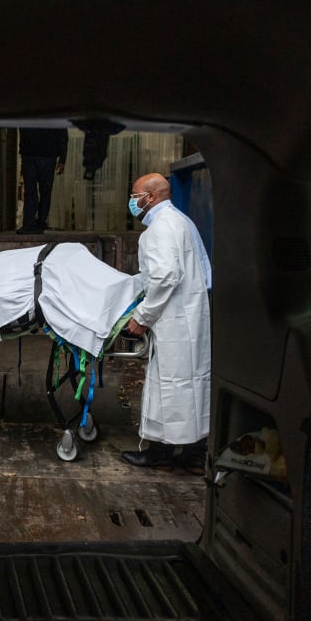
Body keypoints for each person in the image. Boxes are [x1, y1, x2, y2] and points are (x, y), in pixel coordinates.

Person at [120, 172, 212, 474]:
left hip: (172, 318)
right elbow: (202, 270)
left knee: (170, 385)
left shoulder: (159, 229)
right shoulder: (183, 222)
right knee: (188, 384)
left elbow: (164, 277)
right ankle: (191, 453)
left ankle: (164, 452)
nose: (132, 202)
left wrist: (142, 318)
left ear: (151, 196)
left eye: (135, 196)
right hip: (189, 314)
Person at [16, 127, 68, 234]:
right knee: (45, 191)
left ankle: (30, 223)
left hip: (31, 152)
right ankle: (40, 221)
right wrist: (62, 158)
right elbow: (62, 134)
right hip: (47, 153)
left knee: (31, 191)